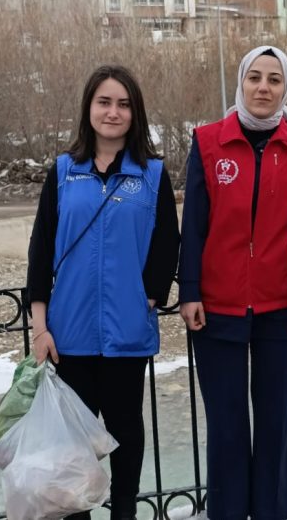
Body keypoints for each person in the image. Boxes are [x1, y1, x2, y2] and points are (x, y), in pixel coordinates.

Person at [26, 64, 180, 520]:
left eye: (123, 104)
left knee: (126, 433)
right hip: (67, 333)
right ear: (88, 108)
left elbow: (167, 244)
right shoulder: (63, 172)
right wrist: (40, 327)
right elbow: (40, 250)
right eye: (104, 102)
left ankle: (125, 513)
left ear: (136, 113)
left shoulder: (151, 174)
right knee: (71, 444)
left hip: (125, 334)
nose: (113, 112)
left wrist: (147, 297)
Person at [178, 45, 287, 520]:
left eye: (274, 79)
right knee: (227, 424)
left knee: (277, 422)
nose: (263, 87)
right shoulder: (208, 141)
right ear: (241, 82)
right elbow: (194, 224)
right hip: (216, 306)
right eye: (255, 77)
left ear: (286, 87)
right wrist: (190, 290)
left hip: (281, 307)